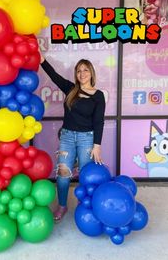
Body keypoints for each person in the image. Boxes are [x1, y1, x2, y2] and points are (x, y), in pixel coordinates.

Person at [40, 55, 106, 222]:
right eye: (79, 71)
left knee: (85, 175)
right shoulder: (71, 90)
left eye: (85, 70)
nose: (82, 73)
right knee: (63, 174)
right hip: (67, 137)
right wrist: (42, 60)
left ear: (91, 73)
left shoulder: (98, 96)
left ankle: (82, 205)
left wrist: (97, 145)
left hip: (87, 139)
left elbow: (99, 122)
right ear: (76, 75)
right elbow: (54, 75)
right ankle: (62, 205)